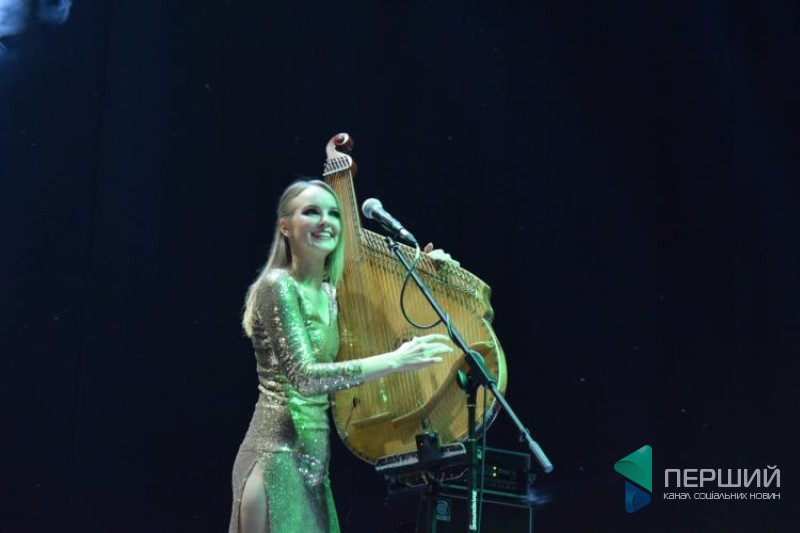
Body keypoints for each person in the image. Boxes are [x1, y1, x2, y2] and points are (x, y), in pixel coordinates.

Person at [230, 178, 454, 533]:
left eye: (334, 213)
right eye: (311, 212)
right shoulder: (278, 286)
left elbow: (382, 323)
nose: (326, 221)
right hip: (276, 459)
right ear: (285, 227)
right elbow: (305, 377)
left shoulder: (330, 294)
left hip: (314, 466)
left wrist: (430, 274)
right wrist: (395, 360)